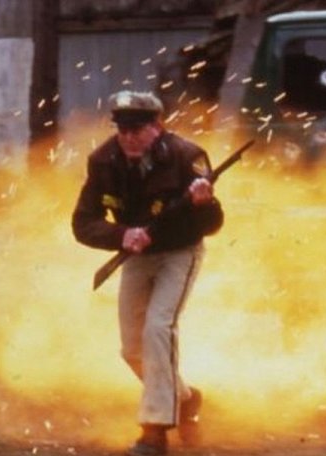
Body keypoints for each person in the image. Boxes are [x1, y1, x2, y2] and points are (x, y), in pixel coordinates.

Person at [72, 90, 224, 456]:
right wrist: (122, 235)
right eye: (122, 130)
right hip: (137, 256)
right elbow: (83, 222)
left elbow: (212, 224)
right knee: (132, 348)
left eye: (137, 130)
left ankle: (154, 431)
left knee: (158, 328)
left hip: (180, 251)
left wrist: (204, 203)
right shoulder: (103, 161)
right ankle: (184, 399)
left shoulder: (187, 157)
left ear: (157, 127)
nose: (128, 137)